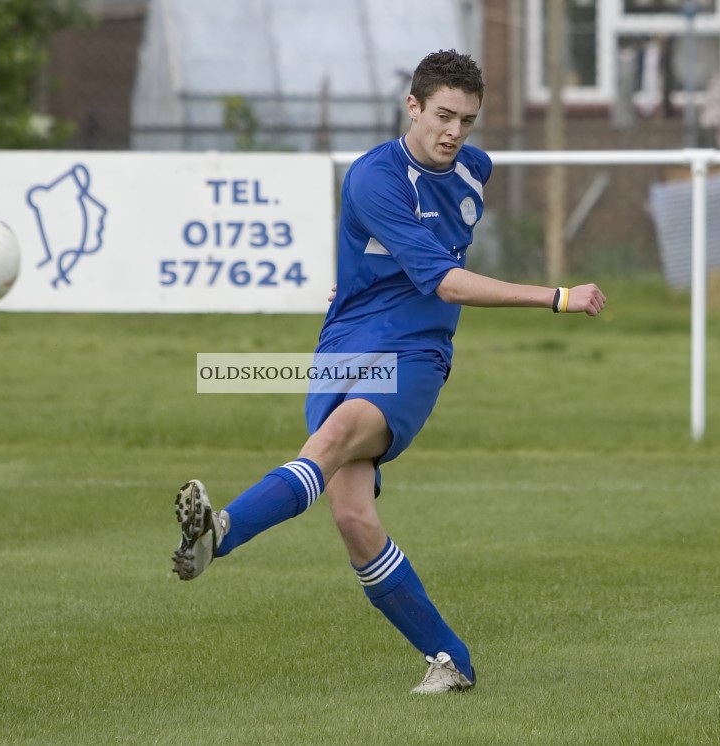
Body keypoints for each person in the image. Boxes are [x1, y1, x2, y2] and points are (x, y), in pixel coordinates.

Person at [172, 49, 606, 694]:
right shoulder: (375, 178)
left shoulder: (473, 170)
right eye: (442, 116)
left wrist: (372, 277)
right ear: (412, 107)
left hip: (416, 354)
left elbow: (433, 277)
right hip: (345, 346)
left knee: (336, 435)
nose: (454, 133)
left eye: (467, 119)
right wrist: (554, 295)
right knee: (352, 516)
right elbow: (443, 277)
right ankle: (449, 658)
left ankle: (223, 532)